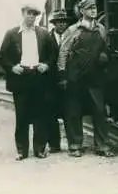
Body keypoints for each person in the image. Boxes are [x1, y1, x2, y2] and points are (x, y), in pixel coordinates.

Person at [0, 4, 56, 161]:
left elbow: (53, 54)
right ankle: (22, 150)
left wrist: (47, 64)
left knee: (40, 115)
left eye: (34, 14)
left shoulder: (43, 34)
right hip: (21, 78)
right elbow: (2, 57)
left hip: (38, 77)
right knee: (21, 115)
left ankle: (39, 149)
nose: (31, 17)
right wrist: (12, 68)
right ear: (22, 14)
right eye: (29, 14)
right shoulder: (11, 34)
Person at [58, 0, 114, 158]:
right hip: (75, 77)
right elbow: (63, 53)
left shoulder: (101, 29)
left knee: (100, 111)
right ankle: (75, 145)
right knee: (74, 112)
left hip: (95, 77)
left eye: (95, 7)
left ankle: (102, 145)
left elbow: (105, 48)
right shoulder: (73, 30)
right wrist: (62, 74)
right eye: (89, 8)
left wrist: (105, 56)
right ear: (82, 11)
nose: (93, 10)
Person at [45, 10, 70, 153]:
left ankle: (72, 143)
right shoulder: (47, 38)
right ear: (54, 24)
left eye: (64, 22)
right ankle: (54, 144)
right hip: (51, 83)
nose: (61, 24)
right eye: (59, 22)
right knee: (51, 114)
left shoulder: (72, 36)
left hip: (68, 81)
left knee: (69, 112)